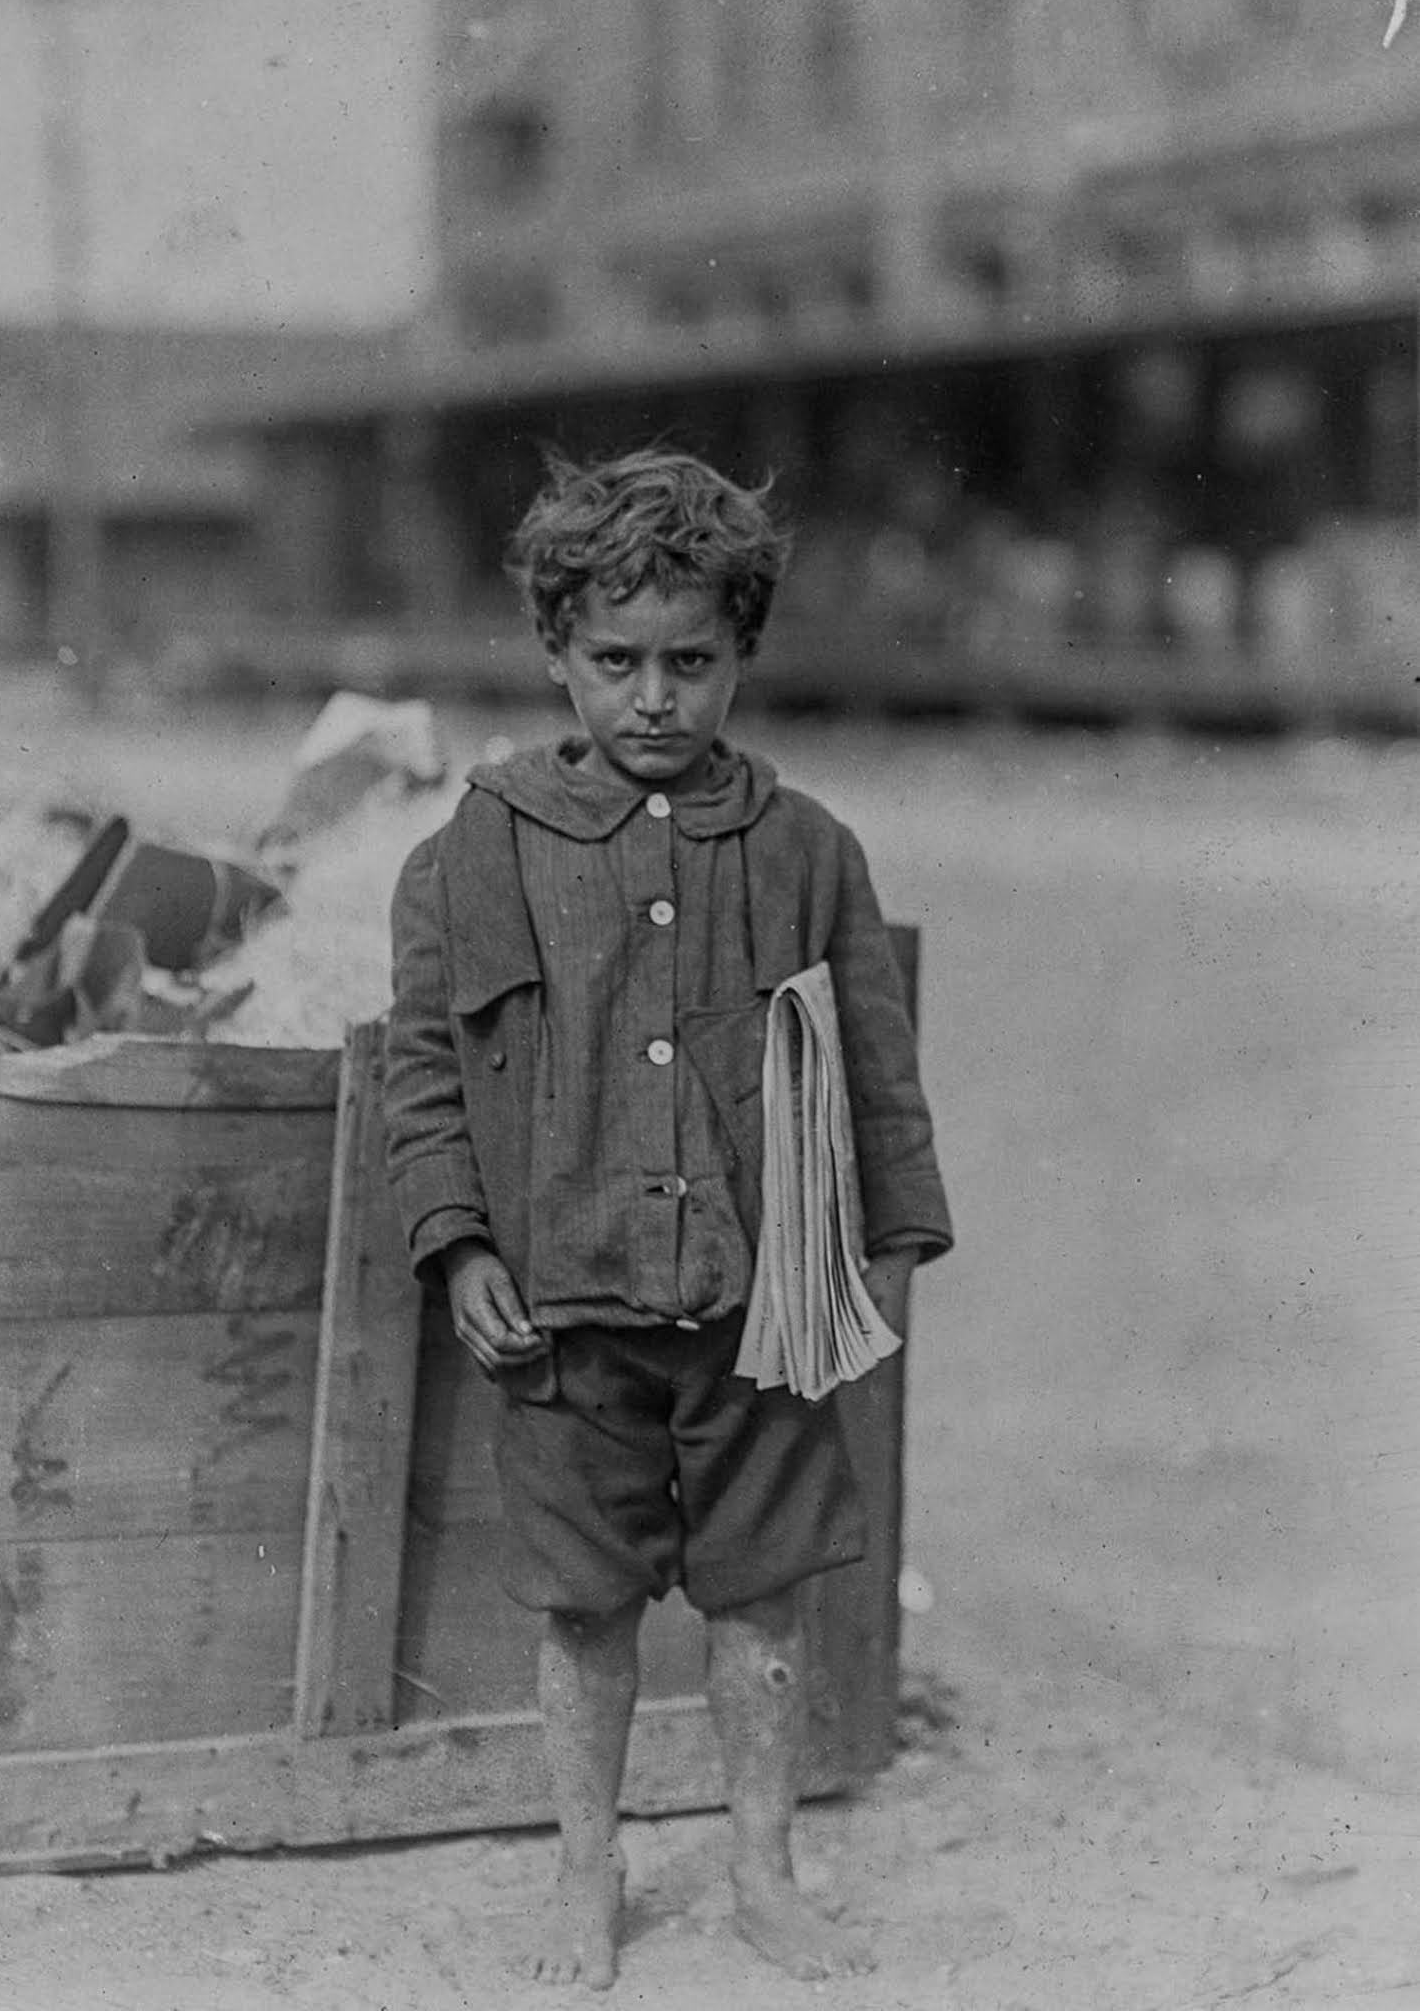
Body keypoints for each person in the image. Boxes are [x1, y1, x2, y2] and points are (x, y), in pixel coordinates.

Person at [383, 447, 953, 1990]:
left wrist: (879, 1258)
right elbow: (425, 1074)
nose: (653, 700)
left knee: (763, 1598)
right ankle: (588, 1877)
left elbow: (879, 1072)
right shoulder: (472, 852)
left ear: (741, 655)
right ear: (555, 654)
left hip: (760, 1309)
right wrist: (460, 1241)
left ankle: (764, 1870)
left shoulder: (807, 849)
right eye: (615, 662)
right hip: (563, 1315)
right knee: (582, 1610)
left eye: (691, 664)